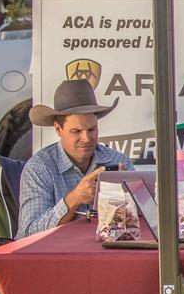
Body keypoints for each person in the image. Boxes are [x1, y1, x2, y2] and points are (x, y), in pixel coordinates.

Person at [17, 80, 132, 238]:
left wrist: (127, 198)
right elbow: (29, 232)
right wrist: (75, 198)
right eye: (76, 131)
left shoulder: (117, 160)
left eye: (92, 129)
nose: (86, 138)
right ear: (58, 129)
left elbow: (144, 215)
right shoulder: (39, 168)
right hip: (55, 251)